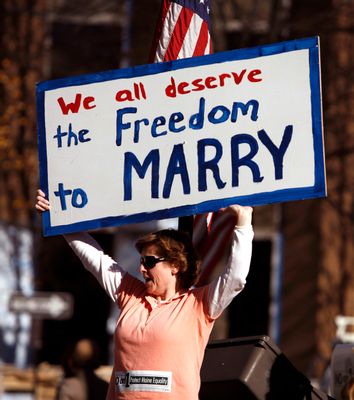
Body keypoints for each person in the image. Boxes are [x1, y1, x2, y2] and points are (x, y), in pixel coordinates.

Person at [36, 189, 254, 400]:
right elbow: (95, 260)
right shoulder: (131, 295)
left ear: (175, 265)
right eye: (141, 261)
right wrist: (58, 218)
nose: (141, 269)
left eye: (149, 262)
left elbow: (235, 278)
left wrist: (243, 224)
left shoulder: (198, 304)